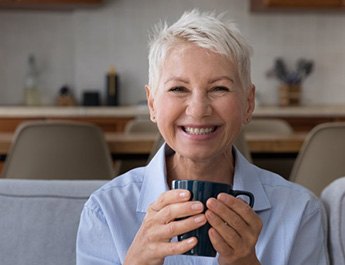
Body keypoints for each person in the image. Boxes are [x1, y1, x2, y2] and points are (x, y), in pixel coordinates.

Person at [76, 10, 329, 265]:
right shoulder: (105, 210)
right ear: (152, 104)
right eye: (178, 89)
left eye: (219, 88)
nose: (198, 109)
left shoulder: (300, 212)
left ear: (249, 103)